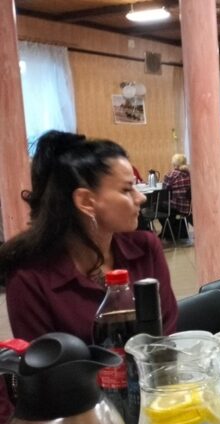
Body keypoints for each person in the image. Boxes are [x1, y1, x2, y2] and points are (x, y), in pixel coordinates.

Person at [0, 130, 178, 344]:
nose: (140, 198)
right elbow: (45, 360)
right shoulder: (30, 279)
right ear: (85, 201)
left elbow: (165, 332)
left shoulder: (145, 248)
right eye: (127, 189)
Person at [163, 153, 192, 239]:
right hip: (188, 207)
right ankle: (180, 233)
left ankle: (169, 233)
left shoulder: (171, 174)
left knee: (156, 206)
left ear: (174, 163)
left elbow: (164, 190)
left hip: (176, 206)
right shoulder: (190, 174)